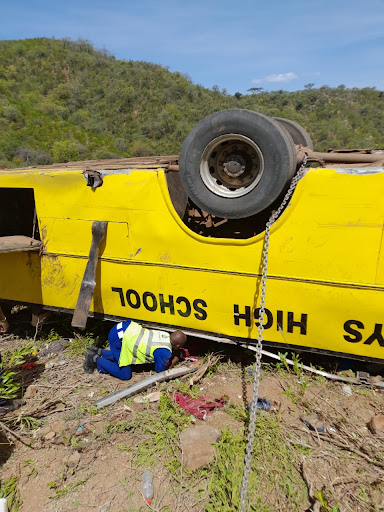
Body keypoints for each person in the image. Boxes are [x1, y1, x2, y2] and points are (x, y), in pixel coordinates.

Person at [83, 319, 187, 380]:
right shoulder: (165, 352)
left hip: (124, 328)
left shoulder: (165, 335)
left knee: (121, 356)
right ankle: (94, 358)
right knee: (125, 375)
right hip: (118, 337)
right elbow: (160, 370)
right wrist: (174, 360)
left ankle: (98, 351)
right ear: (177, 346)